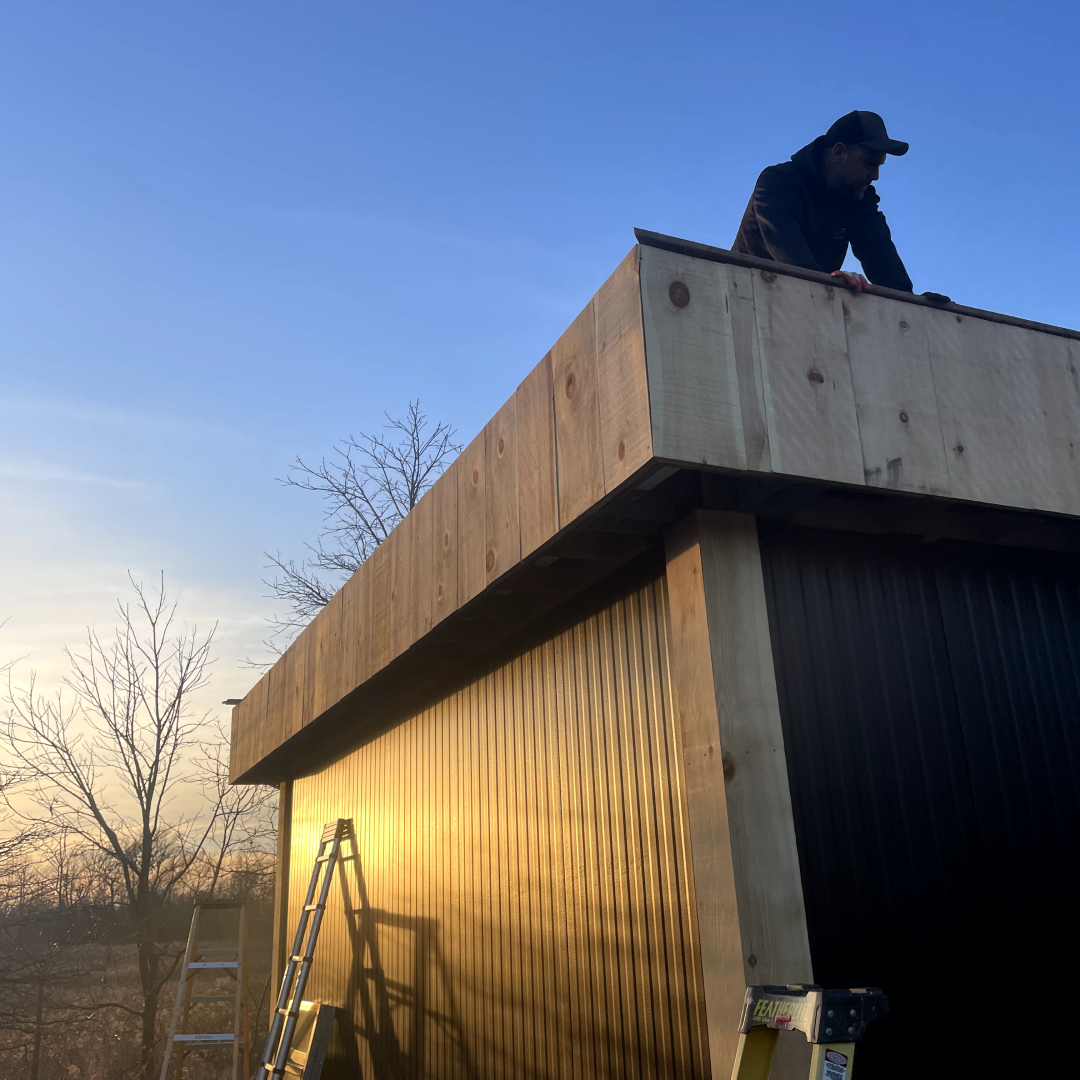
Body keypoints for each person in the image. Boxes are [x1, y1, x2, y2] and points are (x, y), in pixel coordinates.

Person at [734, 111, 946, 299]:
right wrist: (827, 282)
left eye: (879, 166)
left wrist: (915, 305)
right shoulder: (778, 182)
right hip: (743, 299)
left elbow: (881, 259)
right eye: (869, 164)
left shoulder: (858, 199)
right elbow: (794, 263)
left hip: (808, 307)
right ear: (838, 153)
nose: (876, 175)